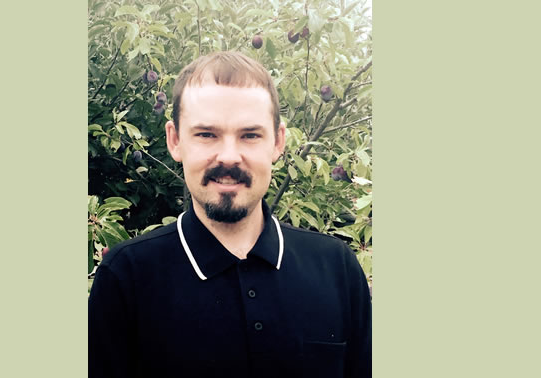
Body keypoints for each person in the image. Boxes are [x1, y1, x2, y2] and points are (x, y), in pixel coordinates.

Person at [89, 51, 371, 378]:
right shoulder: (126, 276)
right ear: (175, 140)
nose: (228, 156)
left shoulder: (336, 268)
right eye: (206, 134)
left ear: (278, 142)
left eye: (250, 135)